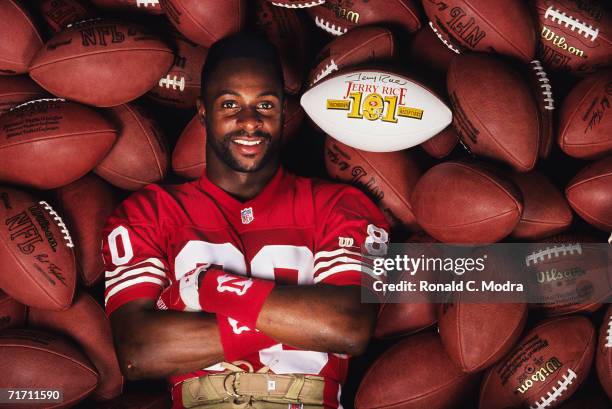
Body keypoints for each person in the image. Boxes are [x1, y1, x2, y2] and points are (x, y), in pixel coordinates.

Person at [102, 33, 389, 409]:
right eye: (230, 104)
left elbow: (349, 327)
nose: (249, 122)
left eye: (265, 105)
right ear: (203, 111)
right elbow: (139, 352)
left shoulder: (339, 205)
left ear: (285, 112)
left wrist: (208, 287)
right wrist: (291, 322)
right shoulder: (150, 212)